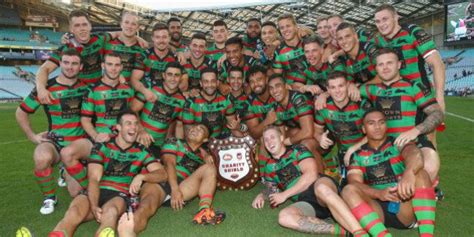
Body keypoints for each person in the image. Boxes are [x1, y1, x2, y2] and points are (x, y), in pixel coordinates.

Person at [48, 110, 168, 236]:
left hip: (118, 194)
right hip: (97, 189)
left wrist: (142, 176)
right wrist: (93, 205)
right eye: (128, 123)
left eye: (135, 123)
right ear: (118, 127)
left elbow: (162, 174)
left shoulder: (142, 151)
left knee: (110, 212)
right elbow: (94, 179)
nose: (133, 127)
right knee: (73, 212)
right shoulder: (102, 147)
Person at [253, 126, 367, 236]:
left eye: (273, 137)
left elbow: (311, 175)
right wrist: (262, 195)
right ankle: (343, 231)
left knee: (322, 189)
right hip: (306, 201)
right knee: (284, 217)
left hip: (319, 184)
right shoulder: (269, 166)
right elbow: (271, 190)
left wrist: (284, 195)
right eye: (266, 139)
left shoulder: (297, 150)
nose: (269, 142)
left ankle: (359, 232)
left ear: (281, 138)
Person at [342, 109, 437, 237]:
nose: (377, 127)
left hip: (402, 203)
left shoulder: (397, 143)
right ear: (364, 129)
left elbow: (416, 155)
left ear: (386, 125)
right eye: (371, 123)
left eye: (381, 122)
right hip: (376, 207)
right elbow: (354, 183)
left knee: (421, 173)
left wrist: (409, 172)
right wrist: (379, 193)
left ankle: (427, 235)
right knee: (348, 190)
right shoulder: (357, 156)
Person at [16, 49, 88, 214]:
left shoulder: (87, 89)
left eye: (74, 63)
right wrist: (32, 136)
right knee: (41, 158)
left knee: (75, 192)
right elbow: (21, 112)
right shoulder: (46, 88)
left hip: (78, 146)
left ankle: (65, 168)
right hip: (56, 141)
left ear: (81, 67)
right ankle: (49, 197)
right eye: (66, 62)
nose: (70, 67)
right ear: (60, 64)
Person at [359, 49, 444, 187]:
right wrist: (325, 95)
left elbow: (437, 113)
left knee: (430, 164)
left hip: (414, 142)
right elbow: (340, 91)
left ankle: (425, 192)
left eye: (389, 63)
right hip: (383, 146)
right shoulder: (371, 90)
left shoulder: (413, 87)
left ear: (399, 65)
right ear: (376, 68)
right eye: (381, 64)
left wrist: (416, 130)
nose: (385, 67)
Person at [60, 53, 135, 195]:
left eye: (117, 65)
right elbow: (85, 120)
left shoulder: (128, 89)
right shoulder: (92, 90)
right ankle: (87, 186)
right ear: (103, 66)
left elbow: (133, 116)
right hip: (100, 140)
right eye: (110, 64)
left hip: (122, 142)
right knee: (67, 154)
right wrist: (96, 136)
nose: (113, 69)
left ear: (122, 68)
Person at [371, 4, 446, 111]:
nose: (381, 24)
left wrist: (440, 97)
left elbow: (437, 64)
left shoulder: (412, 32)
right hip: (395, 97)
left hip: (421, 96)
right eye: (377, 21)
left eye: (385, 19)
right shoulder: (377, 40)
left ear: (396, 17)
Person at [161, 124, 225, 224]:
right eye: (195, 127)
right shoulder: (175, 142)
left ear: (205, 140)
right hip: (165, 185)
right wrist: (175, 189)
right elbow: (169, 163)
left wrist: (208, 156)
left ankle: (204, 211)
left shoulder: (203, 155)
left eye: (201, 129)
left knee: (210, 168)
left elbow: (211, 177)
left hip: (183, 190)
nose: (195, 129)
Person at [314, 71, 371, 180]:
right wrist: (319, 138)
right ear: (328, 90)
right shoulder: (323, 106)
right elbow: (317, 131)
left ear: (347, 86)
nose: (337, 91)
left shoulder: (361, 104)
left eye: (341, 86)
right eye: (333, 87)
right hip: (344, 152)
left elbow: (375, 134)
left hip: (366, 149)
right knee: (347, 185)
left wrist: (353, 149)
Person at [267, 74, 324, 173]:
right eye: (271, 88)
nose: (274, 91)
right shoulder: (276, 106)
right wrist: (281, 143)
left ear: (286, 86)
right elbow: (282, 135)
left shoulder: (298, 99)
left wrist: (288, 141)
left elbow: (308, 132)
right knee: (282, 137)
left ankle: (320, 177)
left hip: (322, 136)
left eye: (278, 86)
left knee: (305, 144)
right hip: (302, 134)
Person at [130, 62, 187, 151]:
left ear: (180, 78)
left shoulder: (182, 100)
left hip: (158, 146)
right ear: (164, 75)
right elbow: (132, 110)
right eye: (169, 74)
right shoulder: (150, 88)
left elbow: (176, 124)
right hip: (138, 138)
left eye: (176, 75)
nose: (173, 78)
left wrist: (174, 144)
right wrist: (141, 131)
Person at [130, 23, 187, 102]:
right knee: (135, 106)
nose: (161, 41)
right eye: (157, 37)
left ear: (169, 38)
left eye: (164, 37)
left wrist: (177, 89)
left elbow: (184, 80)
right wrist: (145, 92)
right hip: (148, 94)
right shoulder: (143, 56)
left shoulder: (176, 58)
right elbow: (134, 79)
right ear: (152, 38)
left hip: (168, 96)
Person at [183, 68, 242, 139]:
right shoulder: (191, 103)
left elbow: (233, 127)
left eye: (213, 81)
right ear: (201, 83)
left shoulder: (226, 100)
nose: (210, 85)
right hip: (198, 141)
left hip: (220, 139)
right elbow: (188, 134)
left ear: (217, 83)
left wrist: (241, 130)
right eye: (206, 82)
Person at [103, 11, 146, 82]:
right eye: (126, 22)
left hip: (130, 90)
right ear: (121, 24)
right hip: (107, 89)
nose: (129, 26)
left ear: (138, 28)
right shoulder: (107, 44)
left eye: (133, 24)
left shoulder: (142, 49)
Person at [273, 14, 307, 87]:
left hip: (316, 87)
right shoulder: (278, 51)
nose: (285, 30)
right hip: (295, 90)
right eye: (282, 28)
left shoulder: (307, 42)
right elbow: (277, 77)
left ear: (295, 27)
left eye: (288, 26)